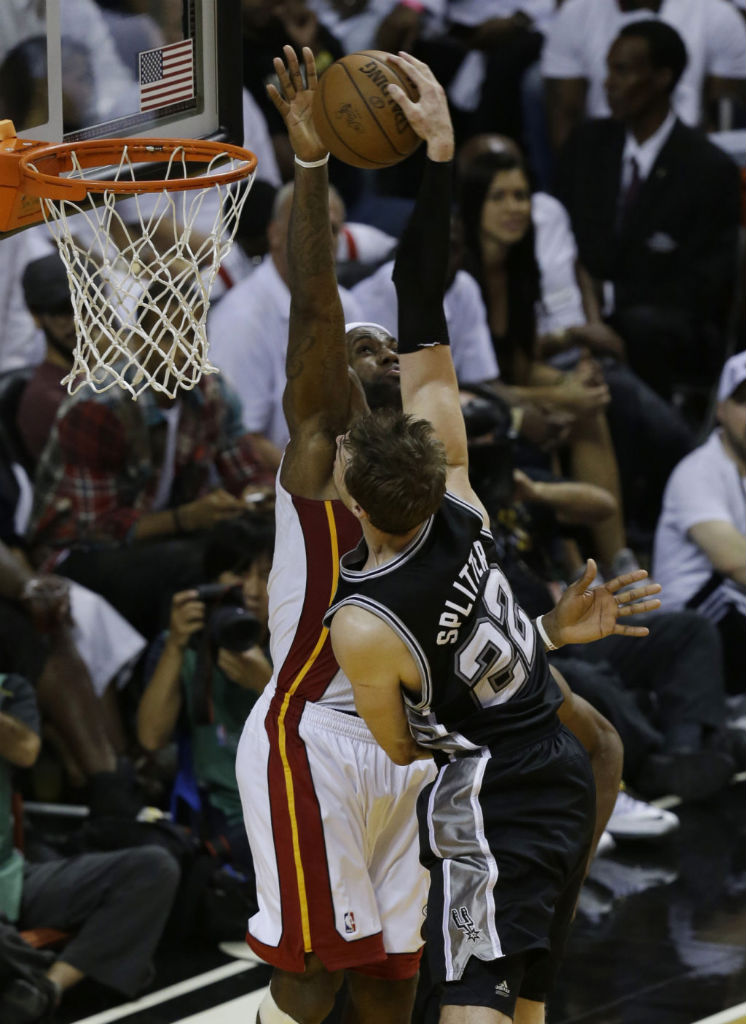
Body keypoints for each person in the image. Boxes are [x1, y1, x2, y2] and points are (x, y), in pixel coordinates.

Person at [323, 53, 662, 1024]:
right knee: (523, 1011)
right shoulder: (461, 493)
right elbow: (420, 296)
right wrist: (436, 154)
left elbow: (404, 744)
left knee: (479, 1013)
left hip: (493, 808)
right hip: (554, 774)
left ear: (355, 494)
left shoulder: (362, 622)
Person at [27, 280, 272, 639]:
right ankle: (172, 673)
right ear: (139, 342)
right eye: (171, 337)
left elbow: (247, 470)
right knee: (191, 563)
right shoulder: (100, 407)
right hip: (75, 551)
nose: (186, 350)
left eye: (194, 336)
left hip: (168, 534)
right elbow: (95, 528)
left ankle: (251, 658)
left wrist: (259, 497)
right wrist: (186, 518)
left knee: (261, 539)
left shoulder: (210, 392)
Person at [555, 19, 742, 400]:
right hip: (576, 309)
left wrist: (608, 301)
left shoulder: (709, 169)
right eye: (608, 69)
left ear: (662, 78)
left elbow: (705, 287)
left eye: (622, 71)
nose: (607, 82)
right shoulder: (589, 143)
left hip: (664, 331)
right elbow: (561, 230)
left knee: (642, 327)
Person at [0, 672, 180, 1023]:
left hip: (12, 876)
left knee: (153, 868)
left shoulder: (9, 688)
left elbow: (26, 750)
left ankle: (45, 987)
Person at [137, 514, 274, 871]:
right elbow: (151, 738)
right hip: (221, 815)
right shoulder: (186, 648)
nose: (254, 591)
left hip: (288, 807)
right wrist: (177, 645)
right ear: (214, 583)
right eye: (240, 575)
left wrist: (269, 685)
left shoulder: (300, 647)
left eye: (267, 575)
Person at [207, 180, 362, 466]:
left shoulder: (348, 306)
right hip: (274, 487)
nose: (323, 239)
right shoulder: (241, 319)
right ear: (275, 234)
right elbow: (242, 440)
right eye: (309, 225)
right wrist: (318, 485)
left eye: (331, 229)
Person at [653, 351, 746, 691]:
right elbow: (735, 562)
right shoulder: (698, 471)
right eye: (744, 401)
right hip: (685, 624)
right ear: (720, 409)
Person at [541, 0, 746, 152]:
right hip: (603, 150)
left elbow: (724, 122)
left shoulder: (718, 16)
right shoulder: (575, 13)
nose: (608, 83)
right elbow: (564, 116)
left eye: (620, 71)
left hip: (688, 151)